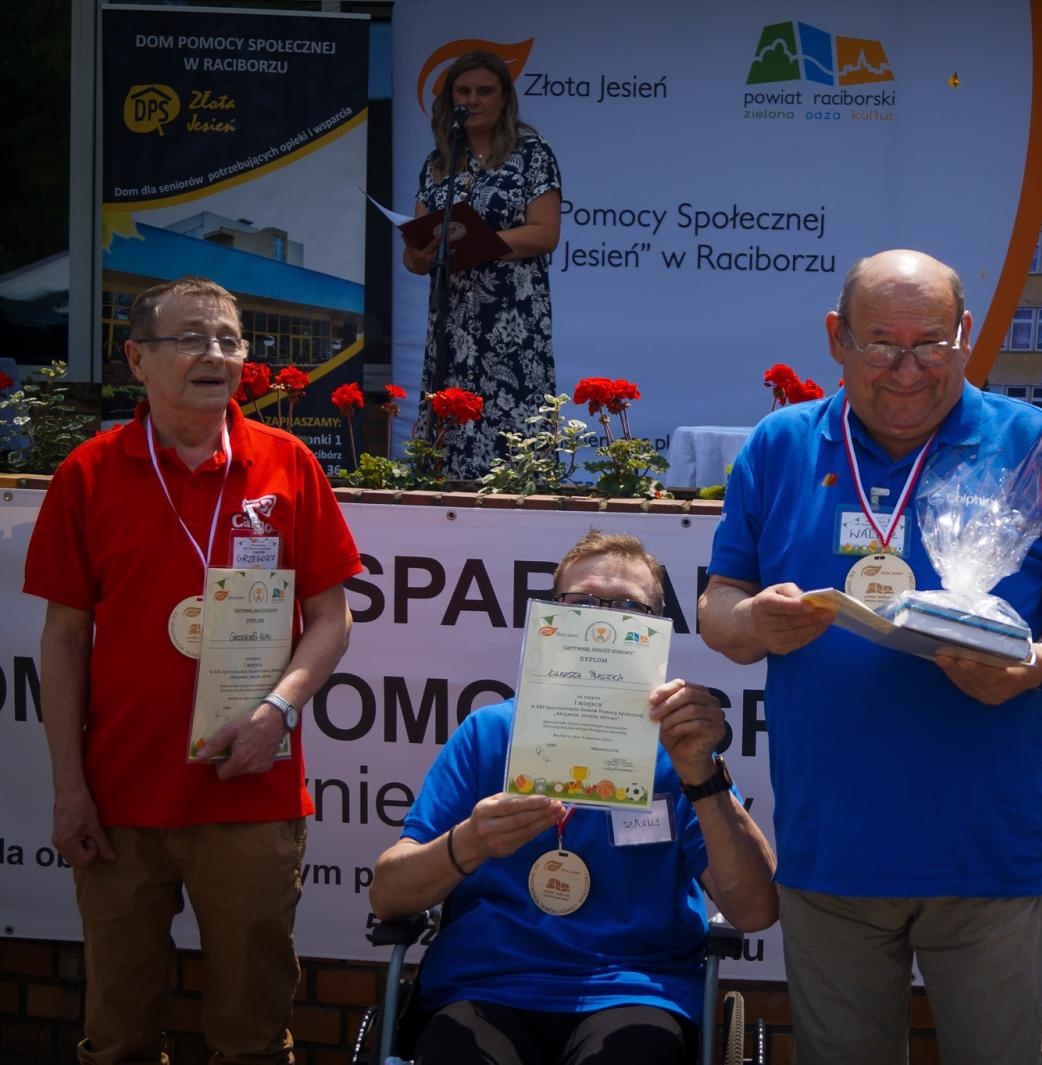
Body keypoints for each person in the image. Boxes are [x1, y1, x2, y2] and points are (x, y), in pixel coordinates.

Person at [698, 249, 1042, 1064]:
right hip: (833, 854)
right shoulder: (781, 445)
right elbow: (719, 604)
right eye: (881, 345)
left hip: (988, 854)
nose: (906, 370)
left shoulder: (1031, 442)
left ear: (966, 336)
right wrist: (751, 620)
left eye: (930, 344)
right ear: (836, 337)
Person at [24, 276, 361, 1064]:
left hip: (251, 791)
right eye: (191, 338)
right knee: (118, 1038)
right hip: (118, 802)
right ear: (137, 359)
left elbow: (331, 619)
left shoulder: (288, 463)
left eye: (229, 340)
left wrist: (276, 710)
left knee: (250, 1039)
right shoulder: (88, 472)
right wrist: (70, 787)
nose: (215, 355)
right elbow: (65, 640)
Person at [369, 530, 778, 1065]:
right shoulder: (488, 734)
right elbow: (388, 897)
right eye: (583, 602)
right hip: (485, 988)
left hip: (635, 990)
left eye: (628, 608)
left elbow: (754, 910)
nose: (602, 620)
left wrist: (703, 775)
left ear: (653, 630)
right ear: (549, 617)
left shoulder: (679, 751)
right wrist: (468, 843)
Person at [402, 50, 562, 479]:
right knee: (449, 426)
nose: (472, 100)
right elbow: (415, 254)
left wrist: (478, 244)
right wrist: (420, 252)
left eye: (484, 91)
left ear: (504, 99)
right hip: (452, 323)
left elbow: (544, 233)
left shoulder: (532, 153)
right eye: (463, 91)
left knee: (512, 432)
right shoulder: (436, 163)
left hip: (511, 319)